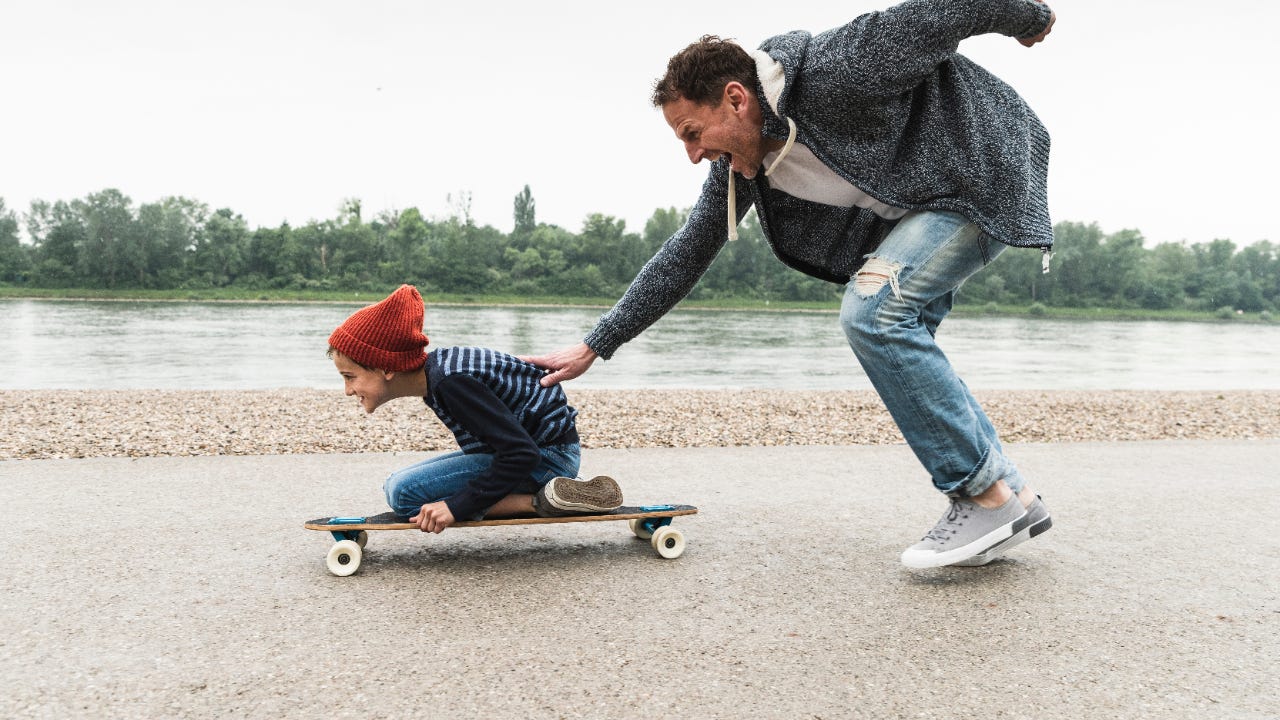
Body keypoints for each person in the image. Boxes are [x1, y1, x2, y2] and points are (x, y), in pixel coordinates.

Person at [522, 0, 1056, 568]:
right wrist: (596, 344)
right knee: (902, 324)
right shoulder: (743, 169)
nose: (693, 154)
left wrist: (1031, 19)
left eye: (693, 133)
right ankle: (1013, 494)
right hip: (930, 206)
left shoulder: (834, 71)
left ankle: (981, 495)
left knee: (874, 313)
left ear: (736, 97)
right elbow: (684, 254)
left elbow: (941, 14)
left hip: (983, 170)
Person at [328, 284, 622, 534]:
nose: (348, 390)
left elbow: (522, 453)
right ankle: (559, 490)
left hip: (548, 457)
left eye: (350, 377)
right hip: (542, 450)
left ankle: (544, 498)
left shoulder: (450, 383)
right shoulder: (440, 372)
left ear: (384, 367)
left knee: (404, 494)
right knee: (395, 484)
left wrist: (455, 507)